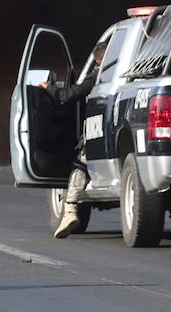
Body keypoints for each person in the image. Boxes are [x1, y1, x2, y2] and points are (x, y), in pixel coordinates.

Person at [38, 40, 108, 238]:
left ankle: (69, 211)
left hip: (100, 132)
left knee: (80, 164)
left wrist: (48, 88)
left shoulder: (97, 76)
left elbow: (69, 95)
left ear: (97, 60)